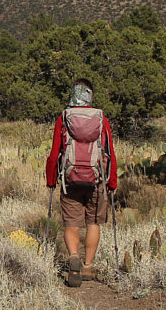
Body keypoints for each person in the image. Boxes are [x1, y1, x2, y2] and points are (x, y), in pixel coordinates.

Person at [45, 78, 117, 287]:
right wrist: (111, 182)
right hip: (97, 179)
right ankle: (87, 266)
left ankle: (74, 256)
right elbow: (110, 152)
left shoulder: (64, 118)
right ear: (90, 95)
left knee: (71, 223)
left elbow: (54, 153)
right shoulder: (101, 119)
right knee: (93, 222)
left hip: (70, 180)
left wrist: (51, 180)